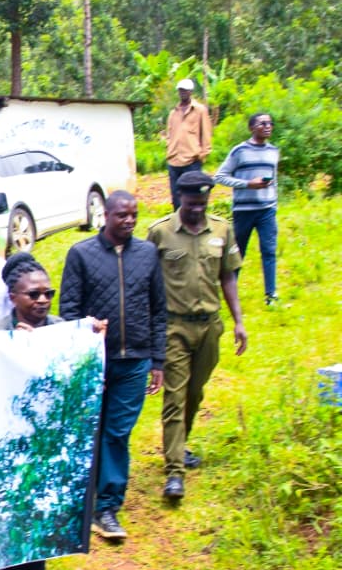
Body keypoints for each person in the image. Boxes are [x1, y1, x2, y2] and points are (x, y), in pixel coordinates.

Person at [0, 253, 85, 570]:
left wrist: (92, 338)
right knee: (28, 536)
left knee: (39, 539)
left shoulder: (66, 332)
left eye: (49, 293)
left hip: (53, 451)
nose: (44, 300)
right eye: (34, 294)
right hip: (11, 452)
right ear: (13, 297)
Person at [59, 191, 165, 541]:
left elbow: (159, 309)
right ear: (105, 215)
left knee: (117, 434)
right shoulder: (81, 255)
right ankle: (80, 502)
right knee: (89, 430)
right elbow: (69, 310)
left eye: (134, 214)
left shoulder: (148, 254)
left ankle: (107, 507)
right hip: (95, 360)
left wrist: (158, 359)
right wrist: (80, 356)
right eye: (122, 215)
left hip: (135, 359)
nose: (130, 221)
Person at [148, 170, 247, 501]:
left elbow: (228, 277)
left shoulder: (221, 229)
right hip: (173, 326)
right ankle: (175, 472)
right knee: (174, 396)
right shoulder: (160, 233)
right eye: (191, 204)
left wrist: (238, 322)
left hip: (209, 326)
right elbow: (146, 280)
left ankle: (180, 444)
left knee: (195, 392)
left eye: (202, 204)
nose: (196, 210)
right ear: (180, 199)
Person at [214, 111, 280, 305]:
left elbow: (275, 179)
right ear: (252, 128)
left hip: (267, 209)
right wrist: (247, 184)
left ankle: (271, 294)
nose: (267, 126)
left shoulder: (273, 151)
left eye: (270, 123)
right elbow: (220, 176)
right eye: (262, 123)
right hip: (244, 210)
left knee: (269, 251)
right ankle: (230, 294)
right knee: (237, 253)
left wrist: (274, 202)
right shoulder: (239, 151)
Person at [165, 77, 213, 209]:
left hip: (192, 161)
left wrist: (202, 155)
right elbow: (169, 134)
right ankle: (177, 226)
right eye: (180, 90)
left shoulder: (200, 110)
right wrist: (169, 150)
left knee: (193, 197)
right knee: (176, 198)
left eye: (185, 90)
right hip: (174, 161)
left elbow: (206, 134)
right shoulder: (173, 113)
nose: (182, 93)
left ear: (191, 92)